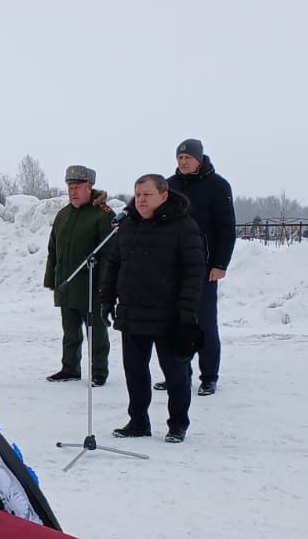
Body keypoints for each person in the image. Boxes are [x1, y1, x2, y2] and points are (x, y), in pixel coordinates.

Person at [99, 173, 205, 443]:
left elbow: (194, 272)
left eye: (147, 194)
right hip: (133, 312)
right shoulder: (128, 225)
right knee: (134, 371)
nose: (141, 199)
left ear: (163, 195)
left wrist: (186, 314)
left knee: (176, 374)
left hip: (170, 316)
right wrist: (106, 298)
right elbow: (113, 264)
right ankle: (138, 421)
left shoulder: (184, 227)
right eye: (138, 194)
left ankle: (178, 424)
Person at [165, 138, 236, 396]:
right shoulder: (169, 187)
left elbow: (227, 229)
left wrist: (220, 263)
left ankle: (209, 376)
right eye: (179, 158)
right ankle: (178, 373)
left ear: (199, 159)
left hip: (204, 268)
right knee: (173, 322)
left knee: (204, 323)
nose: (183, 162)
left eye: (188, 158)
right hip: (172, 267)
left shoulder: (217, 186)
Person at [42, 164, 116, 385]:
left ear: (89, 186)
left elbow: (110, 254)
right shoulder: (64, 214)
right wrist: (51, 279)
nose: (72, 191)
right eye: (69, 186)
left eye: (77, 186)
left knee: (96, 333)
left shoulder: (103, 215)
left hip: (91, 286)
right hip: (66, 284)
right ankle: (70, 369)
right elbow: (53, 249)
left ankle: (99, 372)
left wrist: (105, 286)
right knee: (70, 332)